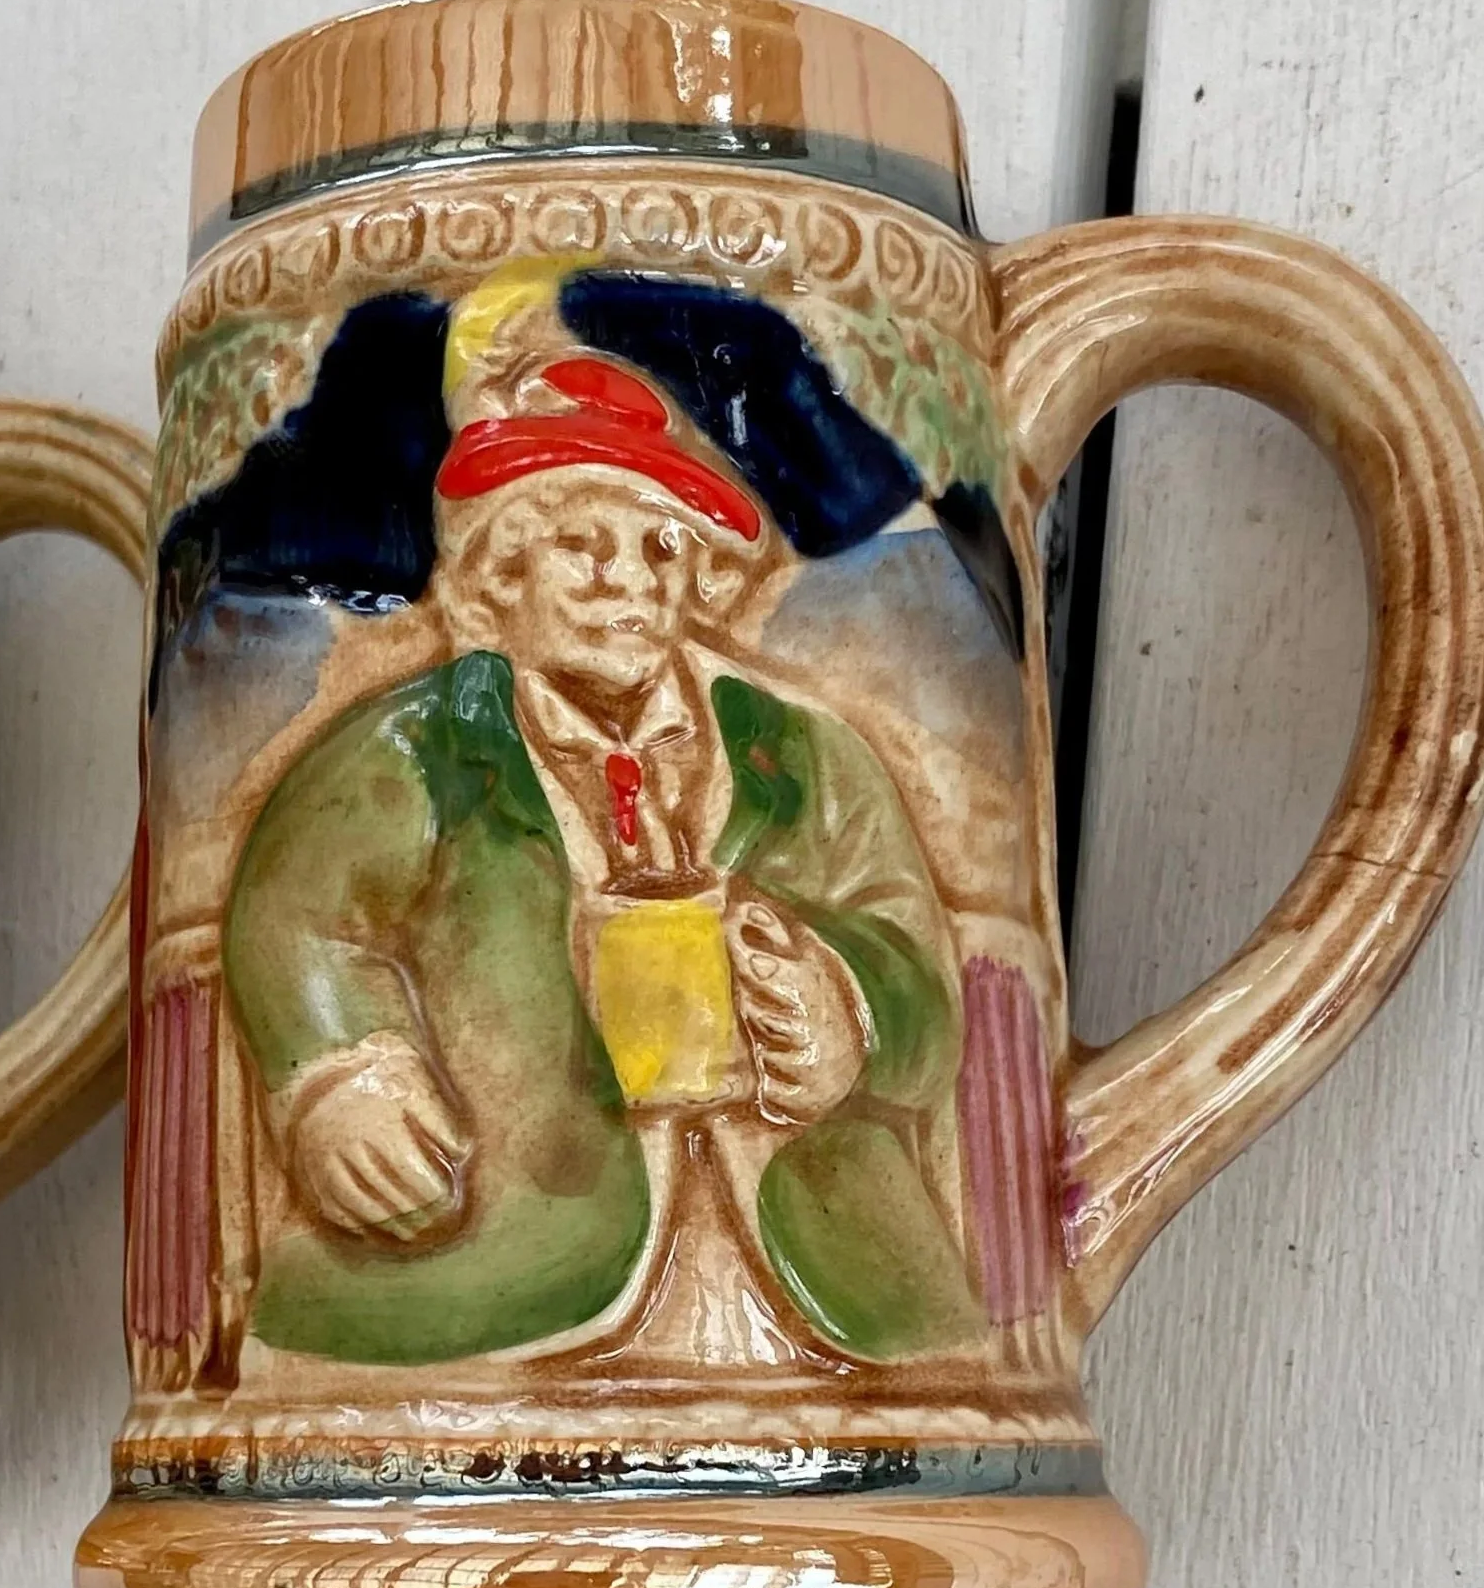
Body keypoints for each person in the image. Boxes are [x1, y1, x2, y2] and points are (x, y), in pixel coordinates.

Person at [221, 268, 988, 1369]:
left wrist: (851, 1008)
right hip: (513, 1257)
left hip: (813, 1261)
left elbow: (914, 950)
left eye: (661, 551)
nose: (625, 581)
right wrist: (344, 1077)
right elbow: (296, 912)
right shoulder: (416, 753)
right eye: (583, 546)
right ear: (496, 574)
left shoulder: (800, 756)